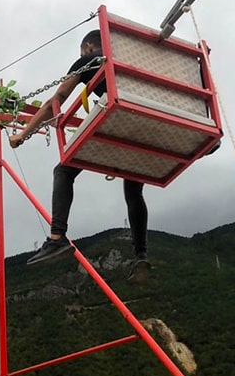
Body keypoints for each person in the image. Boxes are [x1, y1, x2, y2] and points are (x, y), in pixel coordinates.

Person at [8, 29, 150, 278]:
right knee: (133, 190)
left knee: (63, 170)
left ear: (88, 48)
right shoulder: (134, 63)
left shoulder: (91, 59)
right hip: (148, 127)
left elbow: (58, 98)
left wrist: (23, 134)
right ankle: (141, 255)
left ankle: (57, 236)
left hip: (119, 122)